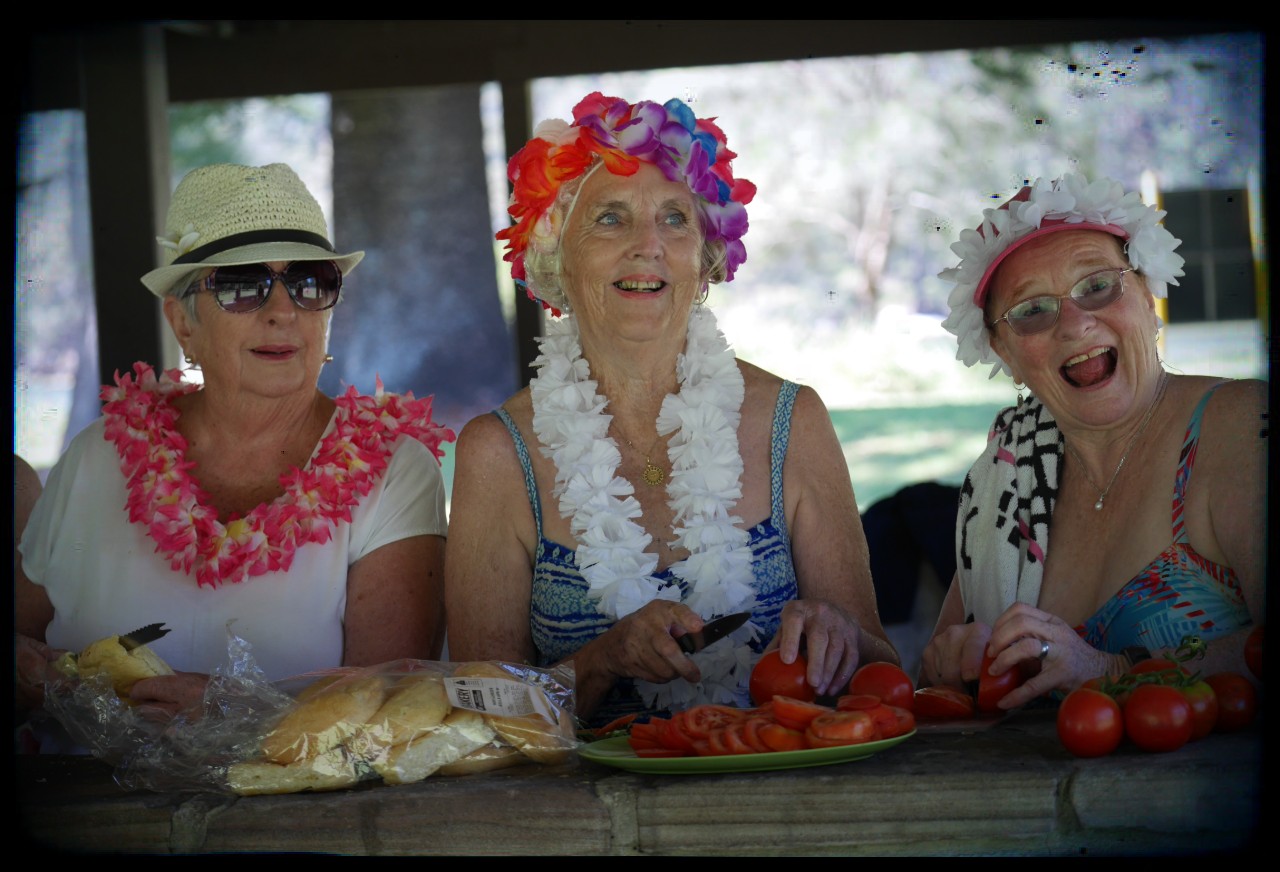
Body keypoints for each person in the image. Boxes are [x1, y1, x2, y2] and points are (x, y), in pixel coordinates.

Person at [445, 93, 897, 727]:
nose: (648, 245)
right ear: (556, 255)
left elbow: (884, 665)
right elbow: (480, 712)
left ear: (705, 259)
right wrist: (601, 661)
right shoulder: (497, 453)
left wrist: (840, 634)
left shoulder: (792, 420)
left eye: (675, 218)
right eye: (610, 218)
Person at [16, 163, 454, 724]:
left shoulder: (392, 471)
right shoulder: (97, 454)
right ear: (183, 324)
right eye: (242, 286)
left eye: (310, 282)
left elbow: (389, 707)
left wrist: (244, 716)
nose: (282, 311)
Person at [921, 173, 1265, 708]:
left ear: (1147, 295)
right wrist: (961, 660)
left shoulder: (1242, 424)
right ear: (1004, 351)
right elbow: (938, 670)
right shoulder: (1008, 471)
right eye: (1031, 310)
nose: (1075, 324)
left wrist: (1113, 671)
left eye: (1099, 284)